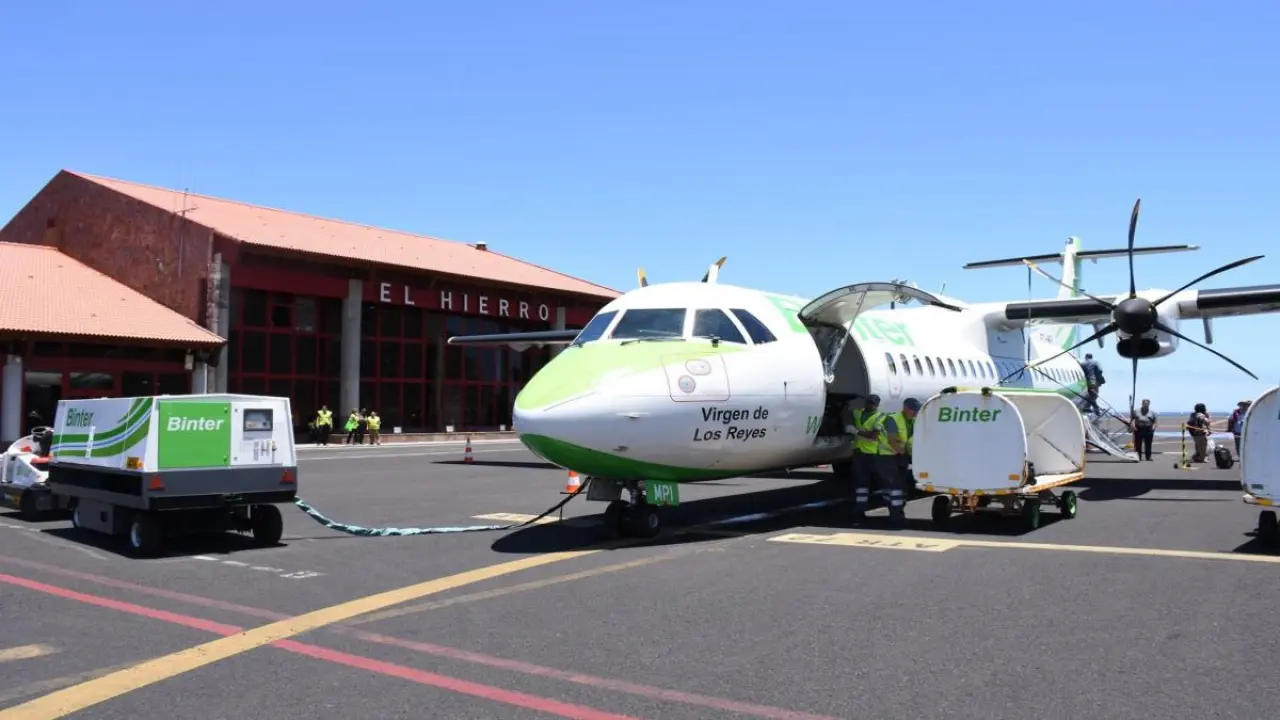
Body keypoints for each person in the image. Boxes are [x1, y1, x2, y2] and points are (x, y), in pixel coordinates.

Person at [848, 394, 883, 518]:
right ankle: (860, 508)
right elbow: (848, 413)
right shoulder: (858, 413)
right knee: (861, 482)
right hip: (859, 452)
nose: (871, 406)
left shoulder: (880, 417)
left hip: (873, 454)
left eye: (873, 404)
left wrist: (856, 431)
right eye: (869, 403)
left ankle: (890, 506)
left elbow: (874, 435)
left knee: (879, 480)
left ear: (877, 405)